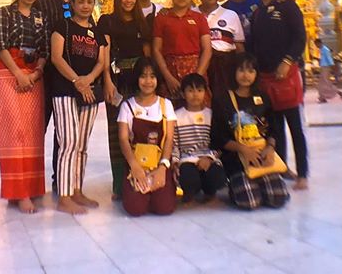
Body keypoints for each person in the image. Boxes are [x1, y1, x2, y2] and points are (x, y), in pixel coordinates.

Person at [0, 0, 49, 214]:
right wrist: (18, 73)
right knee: (13, 131)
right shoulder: (4, 13)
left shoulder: (40, 17)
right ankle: (18, 191)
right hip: (9, 73)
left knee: (32, 132)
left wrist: (36, 73)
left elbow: (45, 49)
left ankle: (32, 186)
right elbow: (1, 45)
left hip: (34, 75)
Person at [248, 0, 308, 190]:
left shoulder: (287, 6)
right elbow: (254, 46)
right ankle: (282, 169)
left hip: (286, 75)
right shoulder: (257, 14)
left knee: (295, 127)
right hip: (265, 79)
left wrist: (287, 60)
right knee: (274, 129)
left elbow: (300, 37)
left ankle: (303, 174)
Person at [50, 0, 107, 215]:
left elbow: (102, 62)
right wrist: (77, 81)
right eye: (80, 1)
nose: (85, 6)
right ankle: (63, 196)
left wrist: (89, 80)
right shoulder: (62, 26)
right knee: (69, 143)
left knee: (82, 145)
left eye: (89, 2)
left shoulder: (97, 33)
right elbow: (56, 57)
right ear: (72, 3)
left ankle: (76, 189)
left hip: (90, 92)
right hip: (65, 89)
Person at [211, 51, 290, 210]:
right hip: (237, 159)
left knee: (279, 198)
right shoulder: (222, 99)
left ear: (256, 74)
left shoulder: (263, 97)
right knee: (250, 202)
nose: (245, 75)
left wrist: (269, 147)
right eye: (241, 70)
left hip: (262, 155)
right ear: (234, 72)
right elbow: (217, 137)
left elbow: (274, 129)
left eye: (250, 70)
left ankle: (259, 183)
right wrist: (243, 149)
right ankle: (239, 187)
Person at [98, 0, 151, 200]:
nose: (128, 0)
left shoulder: (142, 23)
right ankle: (120, 184)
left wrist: (149, 82)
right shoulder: (107, 21)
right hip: (117, 81)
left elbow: (147, 55)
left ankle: (139, 178)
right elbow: (105, 53)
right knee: (116, 132)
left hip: (139, 81)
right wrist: (107, 80)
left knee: (138, 130)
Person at [36, 0, 80, 194]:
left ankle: (60, 180)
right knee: (37, 128)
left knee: (64, 132)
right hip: (43, 71)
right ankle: (30, 181)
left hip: (69, 74)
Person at [117, 57, 177, 216]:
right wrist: (134, 167)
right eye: (143, 76)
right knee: (135, 209)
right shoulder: (127, 106)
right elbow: (123, 139)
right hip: (137, 164)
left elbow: (169, 138)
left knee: (164, 208)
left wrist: (163, 167)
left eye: (152, 76)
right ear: (136, 78)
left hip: (159, 163)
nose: (148, 81)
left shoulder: (166, 104)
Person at [152, 0, 211, 108]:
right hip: (171, 72)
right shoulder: (162, 18)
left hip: (196, 69)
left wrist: (198, 76)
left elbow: (207, 49)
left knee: (199, 113)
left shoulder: (199, 18)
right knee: (171, 115)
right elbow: (156, 49)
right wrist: (167, 77)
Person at [173, 73, 225, 203]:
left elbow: (219, 142)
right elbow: (174, 143)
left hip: (209, 158)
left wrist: (209, 158)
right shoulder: (177, 116)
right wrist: (175, 162)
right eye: (190, 90)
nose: (195, 94)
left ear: (205, 93)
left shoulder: (212, 115)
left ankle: (209, 191)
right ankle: (190, 192)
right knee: (188, 179)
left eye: (199, 90)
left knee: (217, 177)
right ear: (183, 94)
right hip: (186, 159)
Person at [196, 0, 244, 97]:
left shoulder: (231, 15)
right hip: (198, 65)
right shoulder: (191, 14)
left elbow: (239, 47)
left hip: (225, 67)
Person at [314, 38, 342, 103]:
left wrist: (333, 68)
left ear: (319, 43)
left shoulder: (325, 50)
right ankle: (336, 93)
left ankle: (323, 98)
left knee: (323, 84)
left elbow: (329, 59)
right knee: (325, 83)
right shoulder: (321, 50)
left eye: (316, 44)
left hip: (326, 68)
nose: (316, 46)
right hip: (323, 67)